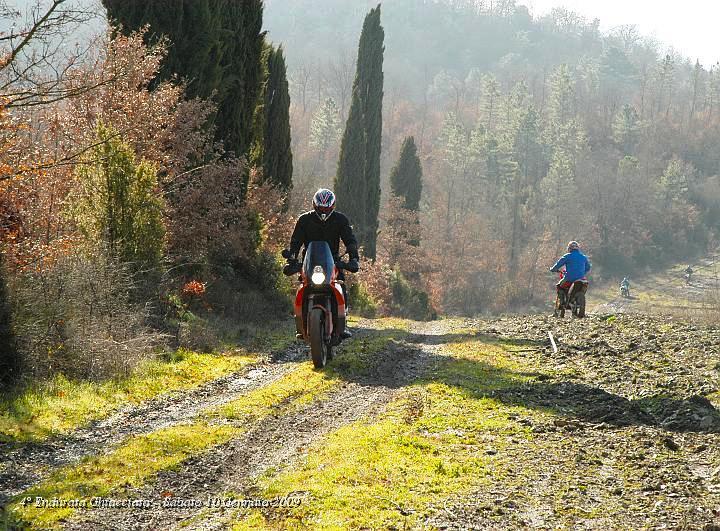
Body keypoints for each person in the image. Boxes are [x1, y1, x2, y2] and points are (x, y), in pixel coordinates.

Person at [287, 188, 359, 339]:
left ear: (332, 206)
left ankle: (342, 322)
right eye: (321, 208)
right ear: (314, 205)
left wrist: (353, 258)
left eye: (327, 208)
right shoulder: (304, 220)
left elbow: (350, 240)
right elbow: (295, 242)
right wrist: (291, 258)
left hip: (332, 262)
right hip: (309, 263)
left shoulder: (341, 220)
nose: (324, 211)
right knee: (302, 287)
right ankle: (301, 323)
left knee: (341, 285)